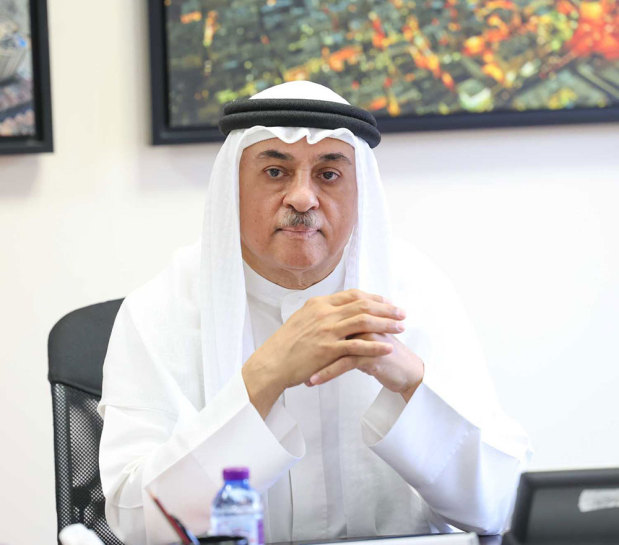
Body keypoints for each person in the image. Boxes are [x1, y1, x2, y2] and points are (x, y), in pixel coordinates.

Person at [98, 81, 531, 545]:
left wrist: (411, 383)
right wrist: (263, 377)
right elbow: (137, 525)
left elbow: (498, 507)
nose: (302, 198)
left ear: (358, 190)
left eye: (328, 174)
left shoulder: (417, 293)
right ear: (233, 188)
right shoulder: (160, 309)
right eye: (275, 172)